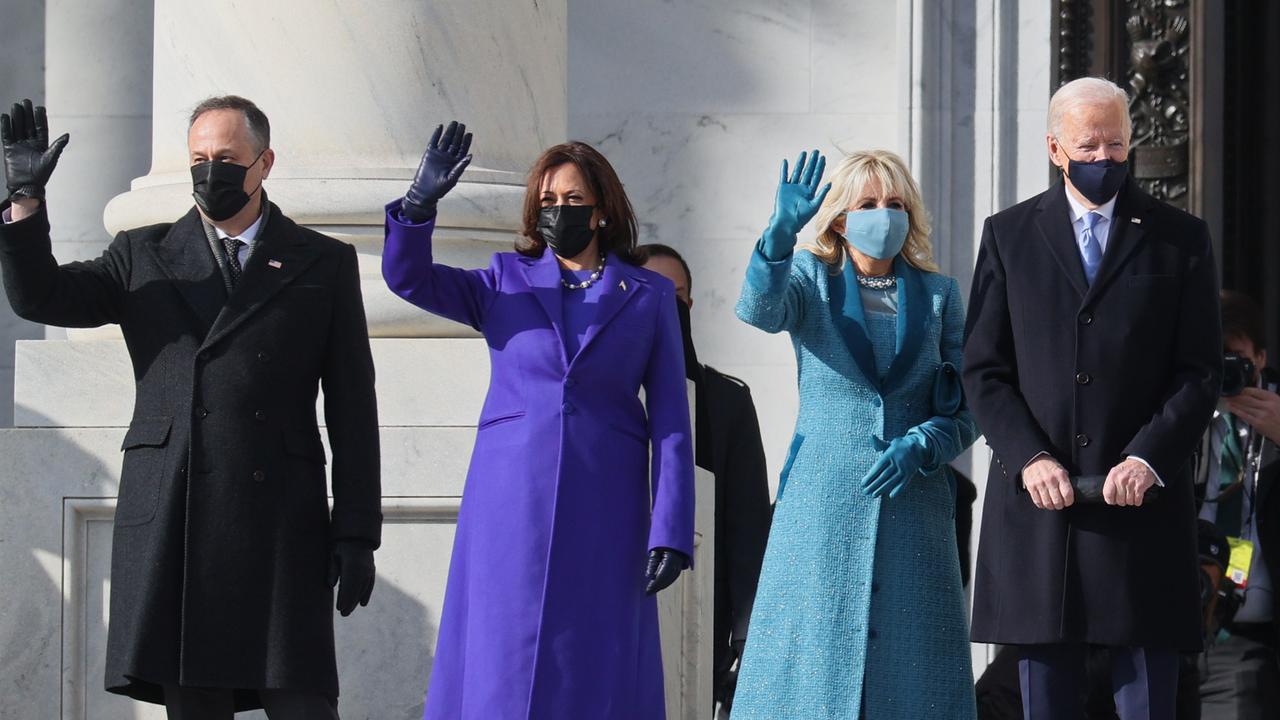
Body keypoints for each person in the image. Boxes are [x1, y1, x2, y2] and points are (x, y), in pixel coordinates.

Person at [0, 97, 381, 719]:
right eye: (199, 159)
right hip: (175, 513)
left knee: (304, 706)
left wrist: (358, 531)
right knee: (195, 707)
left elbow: (352, 406)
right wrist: (24, 202)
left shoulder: (323, 261)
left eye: (227, 159)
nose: (211, 173)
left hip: (282, 520)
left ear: (264, 163)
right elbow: (42, 297)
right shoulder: (141, 253)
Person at [381, 125, 694, 719]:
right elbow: (409, 279)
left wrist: (671, 529)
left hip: (608, 505)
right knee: (503, 655)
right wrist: (419, 206)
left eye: (573, 201)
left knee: (594, 659)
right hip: (508, 503)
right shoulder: (503, 280)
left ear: (602, 211)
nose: (559, 212)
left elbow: (672, 421)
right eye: (548, 202)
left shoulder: (649, 294)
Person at [963, 76, 1221, 720]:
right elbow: (984, 368)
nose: (1103, 158)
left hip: (1140, 512)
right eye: (1088, 144)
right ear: (1056, 149)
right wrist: (1028, 458)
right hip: (1041, 515)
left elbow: (1199, 370)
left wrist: (1148, 457)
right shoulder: (1009, 235)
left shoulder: (1179, 237)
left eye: (1116, 145)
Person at [731, 148, 979, 718]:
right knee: (811, 674)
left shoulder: (940, 296)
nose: (883, 214)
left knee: (913, 677)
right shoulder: (808, 279)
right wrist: (776, 238)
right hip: (821, 508)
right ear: (841, 217)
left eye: (895, 204)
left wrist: (925, 445)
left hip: (914, 508)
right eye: (868, 203)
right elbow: (757, 310)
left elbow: (970, 406)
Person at [637, 242, 773, 715]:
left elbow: (748, 519)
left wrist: (746, 628)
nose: (665, 307)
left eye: (675, 297)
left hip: (702, 608)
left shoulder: (727, 400)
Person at [1195, 289, 1280, 719]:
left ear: (1260, 358)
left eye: (1236, 356)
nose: (1225, 369)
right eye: (1215, 357)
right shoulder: (1181, 411)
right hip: (1176, 630)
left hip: (1247, 639)